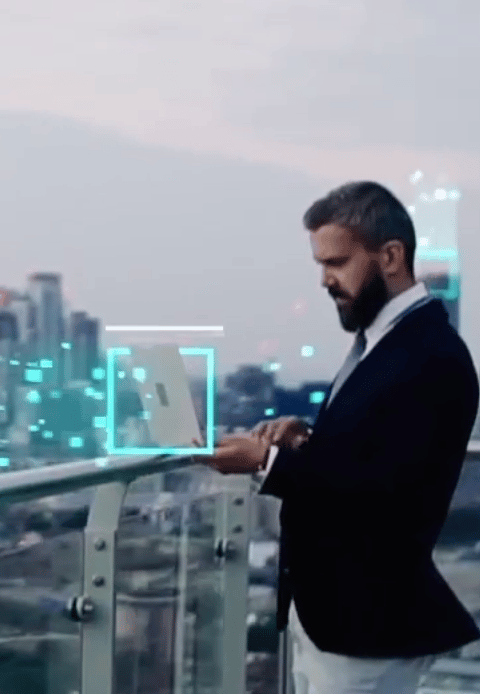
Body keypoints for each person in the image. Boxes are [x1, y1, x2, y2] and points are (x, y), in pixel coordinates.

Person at [193, 181, 480, 693]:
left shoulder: (431, 356)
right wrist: (306, 439)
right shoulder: (384, 343)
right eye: (321, 264)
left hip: (369, 626)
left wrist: (267, 461)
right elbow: (372, 451)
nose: (325, 280)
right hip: (332, 619)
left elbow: (387, 490)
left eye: (337, 263)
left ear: (390, 256)